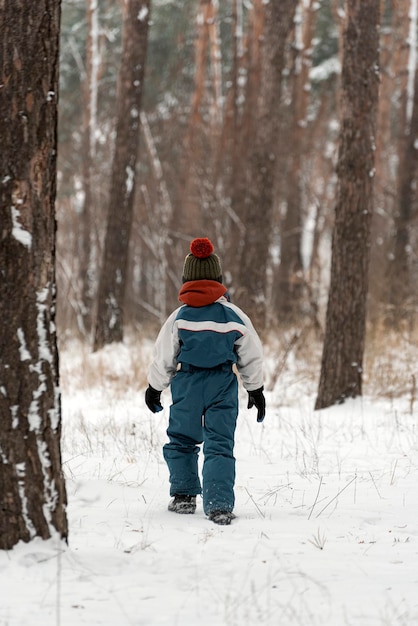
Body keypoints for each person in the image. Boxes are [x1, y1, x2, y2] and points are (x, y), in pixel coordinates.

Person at [145, 237, 265, 525]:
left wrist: (154, 387)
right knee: (220, 443)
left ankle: (184, 496)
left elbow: (164, 356)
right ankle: (219, 504)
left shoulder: (179, 317)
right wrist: (255, 389)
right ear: (219, 279)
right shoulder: (234, 316)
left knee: (182, 439)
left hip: (187, 383)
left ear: (186, 279)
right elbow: (251, 354)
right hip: (223, 385)